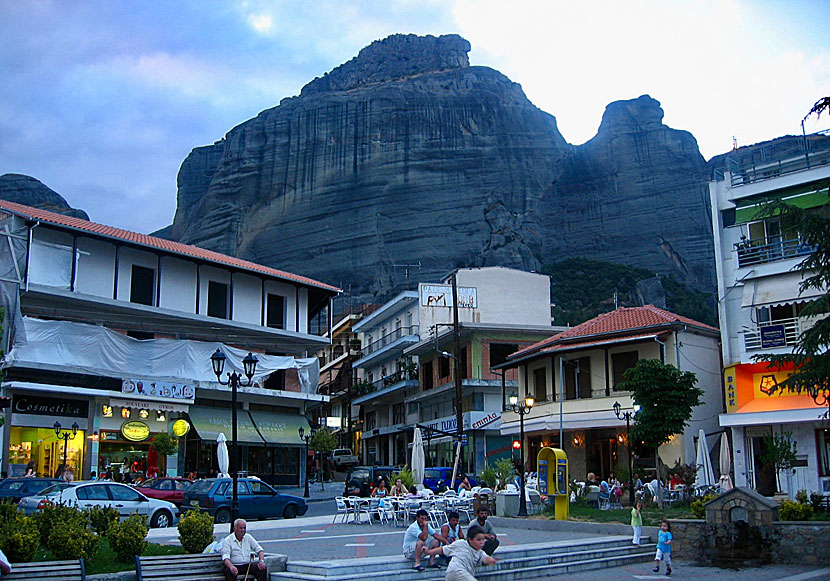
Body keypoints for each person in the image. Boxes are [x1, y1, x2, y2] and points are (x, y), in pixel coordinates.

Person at [426, 524, 498, 581]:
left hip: (464, 575)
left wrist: (491, 560)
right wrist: (429, 552)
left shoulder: (480, 552)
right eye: (478, 540)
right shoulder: (460, 544)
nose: (481, 542)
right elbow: (442, 550)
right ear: (470, 540)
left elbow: (485, 559)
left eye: (483, 540)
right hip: (455, 571)